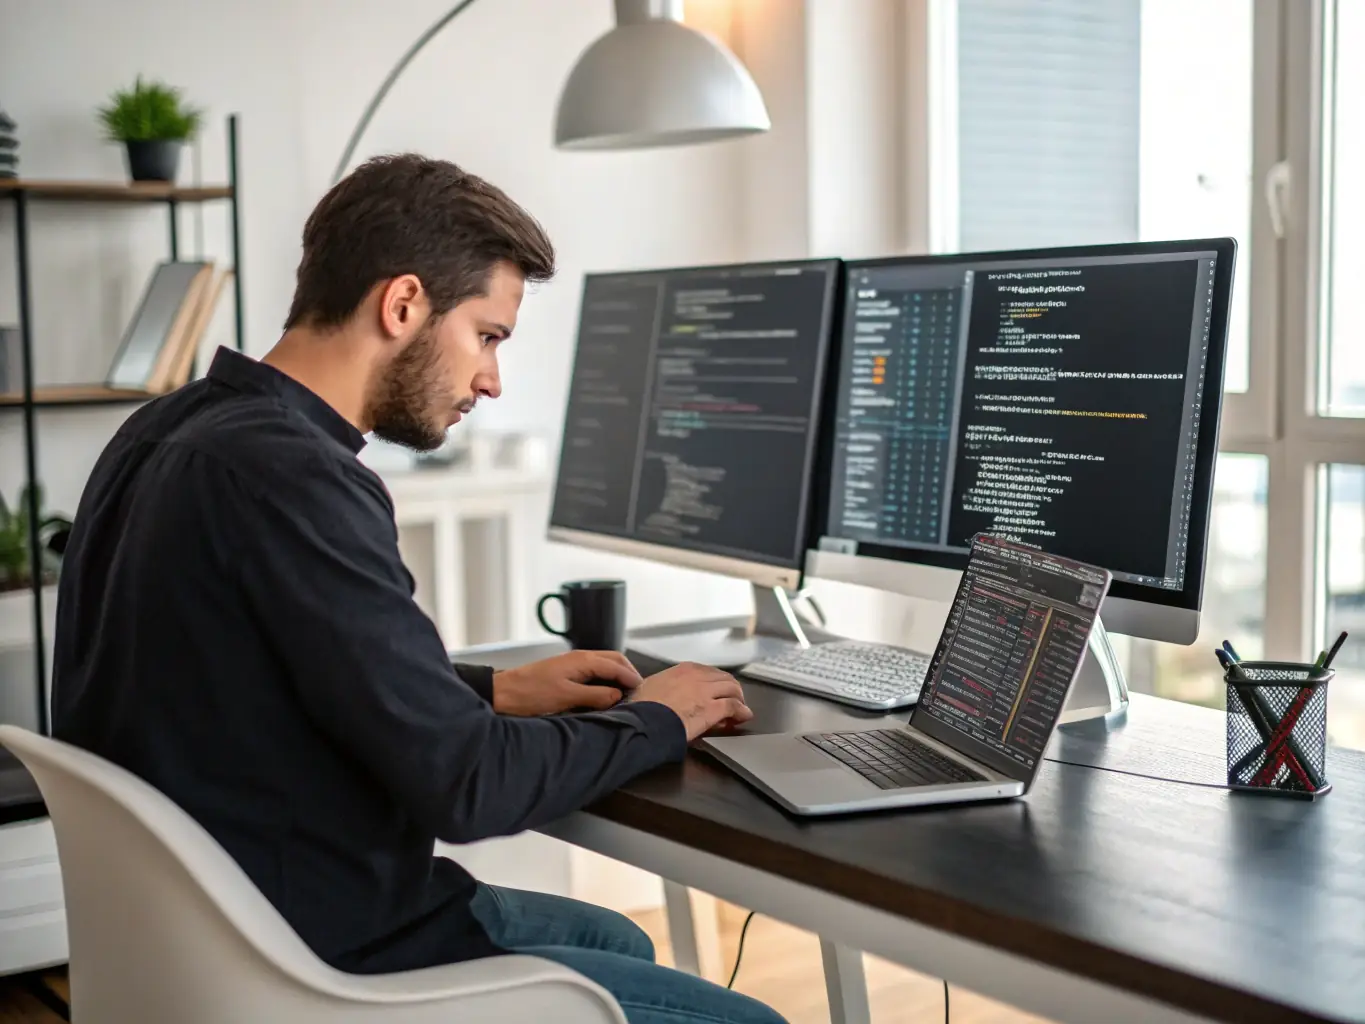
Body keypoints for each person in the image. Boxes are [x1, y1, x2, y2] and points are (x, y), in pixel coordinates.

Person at [51, 154, 787, 1024]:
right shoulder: (293, 476)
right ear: (402, 305)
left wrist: (491, 689)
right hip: (317, 960)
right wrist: (658, 718)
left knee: (615, 944)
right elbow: (467, 787)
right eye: (487, 336)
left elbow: (250, 681)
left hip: (210, 928)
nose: (491, 380)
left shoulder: (167, 429)